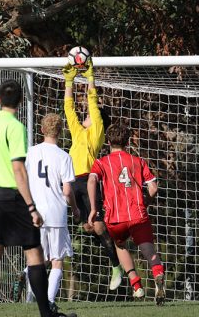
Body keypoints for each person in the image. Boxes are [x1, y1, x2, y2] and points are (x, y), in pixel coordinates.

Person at [0, 79, 76, 317]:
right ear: (20, 102)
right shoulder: (15, 126)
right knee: (35, 251)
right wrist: (31, 206)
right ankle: (45, 313)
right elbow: (18, 169)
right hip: (11, 195)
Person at [62, 60, 125, 291]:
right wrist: (68, 81)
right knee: (85, 226)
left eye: (91, 114)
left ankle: (116, 265)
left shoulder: (97, 131)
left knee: (97, 227)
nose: (86, 115)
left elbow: (92, 101)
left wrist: (89, 77)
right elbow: (68, 108)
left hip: (88, 181)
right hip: (70, 182)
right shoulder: (78, 131)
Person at [87, 123, 166, 305]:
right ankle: (157, 272)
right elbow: (153, 187)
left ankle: (136, 285)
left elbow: (91, 180)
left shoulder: (101, 162)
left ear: (108, 141)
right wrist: (146, 201)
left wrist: (93, 208)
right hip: (138, 214)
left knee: (120, 245)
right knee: (147, 248)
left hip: (116, 218)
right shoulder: (138, 161)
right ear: (128, 141)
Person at [26, 113, 80, 313]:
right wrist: (75, 209)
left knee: (36, 259)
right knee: (57, 260)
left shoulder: (31, 152)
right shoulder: (64, 157)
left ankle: (26, 278)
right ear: (60, 131)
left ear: (42, 130)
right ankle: (48, 301)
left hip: (36, 213)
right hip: (56, 213)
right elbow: (67, 191)